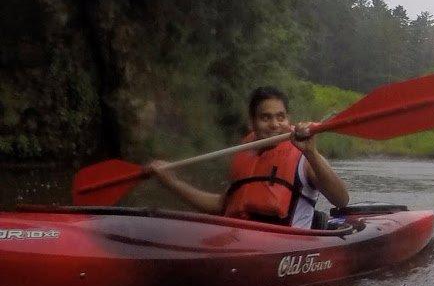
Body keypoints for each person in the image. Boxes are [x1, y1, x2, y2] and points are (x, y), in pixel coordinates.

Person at [145, 86, 350, 228]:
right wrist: (172, 182)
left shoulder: (305, 157)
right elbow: (222, 206)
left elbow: (341, 199)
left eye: (280, 117)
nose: (274, 124)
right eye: (265, 118)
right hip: (239, 242)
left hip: (288, 250)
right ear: (252, 122)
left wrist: (311, 152)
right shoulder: (243, 154)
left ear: (289, 119)